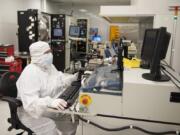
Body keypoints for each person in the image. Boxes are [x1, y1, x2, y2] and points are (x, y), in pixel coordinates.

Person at [16, 41, 78, 135]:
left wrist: (71, 78)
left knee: (72, 117)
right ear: (38, 55)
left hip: (49, 107)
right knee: (52, 129)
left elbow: (59, 80)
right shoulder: (30, 73)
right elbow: (31, 104)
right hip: (33, 113)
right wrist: (50, 102)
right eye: (47, 52)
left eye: (50, 52)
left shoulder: (49, 67)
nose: (50, 55)